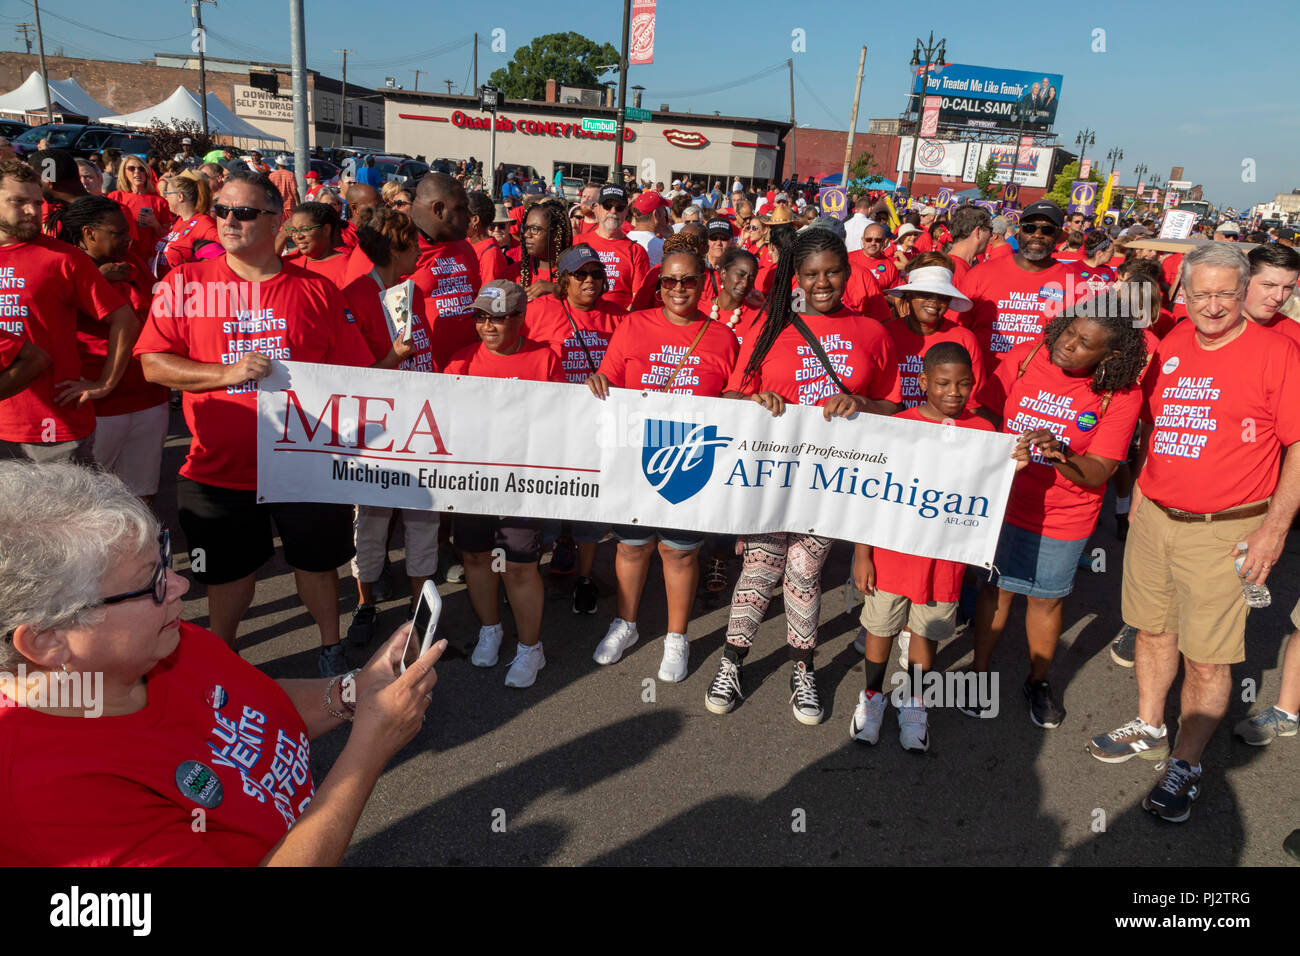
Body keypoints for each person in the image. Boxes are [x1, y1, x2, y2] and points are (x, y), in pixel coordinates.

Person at [0, 462, 445, 865]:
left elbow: (252, 706)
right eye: (149, 583)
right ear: (47, 640)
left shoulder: (161, 642)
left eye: (165, 562)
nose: (178, 586)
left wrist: (356, 689)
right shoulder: (54, 795)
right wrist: (369, 748)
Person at [1087, 243, 1300, 823]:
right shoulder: (1173, 341)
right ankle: (1150, 724)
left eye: (1224, 295)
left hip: (1226, 530)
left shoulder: (1278, 353)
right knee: (1153, 631)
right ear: (1183, 294)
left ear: (1243, 293)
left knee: (1208, 660)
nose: (1212, 305)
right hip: (1156, 516)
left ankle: (1187, 761)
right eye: (1200, 293)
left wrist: (1273, 532)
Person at [134, 170, 374, 677]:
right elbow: (153, 362)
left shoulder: (317, 291)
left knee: (316, 564)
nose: (228, 221)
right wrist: (226, 373)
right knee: (227, 576)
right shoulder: (185, 283)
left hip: (303, 461)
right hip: (218, 467)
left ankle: (331, 650)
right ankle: (223, 659)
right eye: (221, 210)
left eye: (243, 212)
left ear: (277, 219)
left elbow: (352, 375)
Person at [708, 227, 903, 725]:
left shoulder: (873, 333)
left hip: (831, 484)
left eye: (833, 272)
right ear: (796, 277)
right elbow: (730, 398)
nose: (823, 283)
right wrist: (753, 400)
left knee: (803, 573)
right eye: (811, 274)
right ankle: (732, 661)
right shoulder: (770, 326)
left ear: (847, 273)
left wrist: (860, 403)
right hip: (770, 478)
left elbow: (894, 407)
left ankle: (803, 667)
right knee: (759, 569)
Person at [969, 292, 1146, 727]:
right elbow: (984, 410)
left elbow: (1102, 470)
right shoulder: (1029, 356)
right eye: (1069, 331)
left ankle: (1039, 681)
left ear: (1112, 354)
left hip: (1064, 515)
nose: (1069, 344)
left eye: (1086, 343)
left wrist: (1062, 454)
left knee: (1045, 603)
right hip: (1004, 502)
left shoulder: (1121, 395)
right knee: (996, 590)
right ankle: (977, 671)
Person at [586, 242, 740, 682]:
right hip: (636, 453)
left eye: (687, 280)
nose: (677, 288)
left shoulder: (723, 337)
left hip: (692, 458)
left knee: (678, 553)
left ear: (703, 284)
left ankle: (677, 637)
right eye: (668, 281)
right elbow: (609, 379)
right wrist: (599, 379)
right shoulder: (634, 326)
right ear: (658, 285)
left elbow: (732, 399)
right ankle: (626, 624)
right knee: (632, 547)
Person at [851, 342, 995, 750]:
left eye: (964, 384)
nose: (954, 392)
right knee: (880, 628)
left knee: (925, 632)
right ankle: (873, 699)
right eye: (944, 383)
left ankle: (914, 705)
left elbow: (990, 489)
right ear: (923, 382)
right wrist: (863, 554)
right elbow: (871, 493)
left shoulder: (985, 433)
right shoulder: (899, 428)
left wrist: (1013, 462)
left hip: (943, 560)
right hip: (891, 554)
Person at [447, 281, 562, 688]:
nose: (487, 326)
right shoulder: (459, 362)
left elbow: (557, 422)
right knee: (476, 558)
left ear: (519, 319)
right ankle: (491, 627)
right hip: (472, 481)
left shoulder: (545, 359)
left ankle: (531, 648)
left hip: (521, 483)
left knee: (518, 565)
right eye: (480, 317)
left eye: (497, 318)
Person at [340, 207, 440, 646]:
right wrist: (395, 358)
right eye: (413, 243)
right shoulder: (356, 295)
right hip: (375, 427)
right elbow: (349, 376)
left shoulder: (408, 291)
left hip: (419, 419)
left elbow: (425, 351)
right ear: (394, 249)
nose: (420, 249)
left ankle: (421, 612)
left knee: (423, 515)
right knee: (372, 522)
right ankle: (364, 606)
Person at [0, 161, 139, 466]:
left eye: (37, 203)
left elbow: (124, 320)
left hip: (53, 426)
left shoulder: (63, 258)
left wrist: (105, 383)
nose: (32, 211)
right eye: (18, 202)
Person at [49, 197, 169, 501]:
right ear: (89, 233)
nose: (128, 238)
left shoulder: (133, 261)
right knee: (90, 505)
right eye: (118, 233)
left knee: (142, 497)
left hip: (148, 397)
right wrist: (95, 282)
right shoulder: (62, 266)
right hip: (97, 407)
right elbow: (48, 322)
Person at [963, 200, 1088, 361]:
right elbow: (959, 330)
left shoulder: (1076, 284)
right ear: (1019, 232)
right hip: (982, 378)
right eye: (1030, 228)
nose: (1037, 235)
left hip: (1038, 381)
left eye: (1047, 230)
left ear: (1058, 236)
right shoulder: (980, 274)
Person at [883, 253, 986, 413]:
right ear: (908, 295)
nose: (934, 301)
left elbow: (972, 405)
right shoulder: (885, 335)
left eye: (942, 296)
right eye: (924, 293)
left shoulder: (965, 340)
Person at [409, 173, 481, 369]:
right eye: (461, 208)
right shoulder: (401, 250)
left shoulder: (465, 247)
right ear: (438, 210)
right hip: (423, 374)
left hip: (467, 369)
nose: (470, 216)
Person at [580, 184, 650, 311]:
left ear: (626, 212)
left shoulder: (636, 251)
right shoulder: (577, 243)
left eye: (619, 207)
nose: (613, 211)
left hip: (619, 325)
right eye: (607, 206)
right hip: (582, 322)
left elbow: (638, 301)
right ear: (597, 209)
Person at [107, 154, 172, 262]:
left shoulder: (159, 202)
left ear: (146, 172)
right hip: (121, 256)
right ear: (124, 172)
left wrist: (155, 224)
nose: (137, 172)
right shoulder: (115, 197)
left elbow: (167, 237)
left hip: (148, 258)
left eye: (141, 168)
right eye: (131, 168)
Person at [155, 172, 220, 275]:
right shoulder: (180, 220)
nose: (165, 198)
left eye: (167, 194)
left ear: (180, 196)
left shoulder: (205, 223)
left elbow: (222, 256)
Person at [281, 201, 350, 288]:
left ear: (326, 229)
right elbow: (259, 280)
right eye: (294, 230)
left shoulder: (349, 267)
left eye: (305, 229)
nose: (298, 236)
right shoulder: (290, 262)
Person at [1242, 243, 1300, 347]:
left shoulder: (1296, 338)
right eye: (1269, 285)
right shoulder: (1210, 329)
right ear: (1244, 281)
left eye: (1288, 288)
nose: (1278, 297)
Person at [518, 197, 572, 301]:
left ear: (556, 234)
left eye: (535, 229)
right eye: (525, 228)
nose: (526, 234)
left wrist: (556, 288)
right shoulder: (516, 273)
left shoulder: (575, 274)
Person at [465, 190, 511, 284]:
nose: (457, 219)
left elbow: (488, 295)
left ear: (475, 220)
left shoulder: (490, 255)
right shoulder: (466, 244)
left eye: (462, 215)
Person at [848, 221, 901, 291]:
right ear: (863, 240)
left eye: (878, 240)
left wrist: (879, 295)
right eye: (869, 239)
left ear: (884, 242)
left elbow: (896, 298)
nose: (873, 243)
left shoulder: (890, 265)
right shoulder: (848, 259)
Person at [268, 155, 300, 222]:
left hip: (277, 207)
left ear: (277, 164)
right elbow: (295, 191)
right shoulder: (290, 175)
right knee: (289, 228)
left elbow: (269, 192)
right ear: (285, 165)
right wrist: (299, 204)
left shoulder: (272, 176)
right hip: (289, 207)